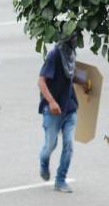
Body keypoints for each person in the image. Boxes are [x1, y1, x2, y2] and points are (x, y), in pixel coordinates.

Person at [38, 30, 91, 192]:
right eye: (74, 37)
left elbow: (71, 73)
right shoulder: (54, 56)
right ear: (67, 39)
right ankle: (43, 163)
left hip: (70, 107)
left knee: (69, 145)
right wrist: (52, 102)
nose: (76, 40)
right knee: (49, 146)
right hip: (53, 111)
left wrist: (85, 82)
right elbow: (41, 81)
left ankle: (60, 179)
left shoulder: (70, 54)